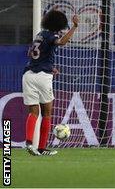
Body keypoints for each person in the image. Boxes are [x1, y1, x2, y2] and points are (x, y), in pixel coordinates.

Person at [23, 10, 79, 156]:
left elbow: (32, 54)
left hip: (29, 75)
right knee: (47, 113)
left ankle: (29, 143)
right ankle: (41, 148)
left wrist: (50, 66)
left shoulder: (39, 35)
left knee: (33, 112)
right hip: (42, 77)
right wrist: (74, 27)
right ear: (58, 24)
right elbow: (61, 42)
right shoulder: (52, 35)